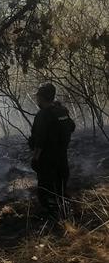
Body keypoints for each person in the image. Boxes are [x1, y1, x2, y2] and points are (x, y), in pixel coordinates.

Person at [29, 83, 76, 219]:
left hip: (47, 160)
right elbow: (72, 127)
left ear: (41, 98)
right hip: (62, 158)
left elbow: (40, 141)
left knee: (46, 190)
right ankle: (65, 214)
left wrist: (35, 158)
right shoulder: (62, 111)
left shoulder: (42, 115)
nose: (37, 100)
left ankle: (53, 218)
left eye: (38, 97)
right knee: (61, 187)